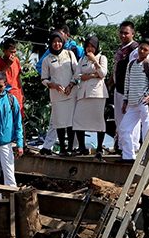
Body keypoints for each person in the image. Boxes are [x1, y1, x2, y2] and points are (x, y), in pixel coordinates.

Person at [36, 24, 84, 153]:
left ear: (64, 39)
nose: (57, 44)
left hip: (71, 92)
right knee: (58, 122)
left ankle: (72, 147)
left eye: (59, 41)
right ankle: (60, 147)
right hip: (57, 95)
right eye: (54, 41)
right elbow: (43, 77)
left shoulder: (71, 53)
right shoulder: (47, 58)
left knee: (72, 121)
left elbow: (77, 70)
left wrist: (72, 84)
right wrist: (53, 84)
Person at [120, 38, 149, 161]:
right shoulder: (131, 64)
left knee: (147, 130)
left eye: (145, 49)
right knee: (124, 129)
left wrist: (148, 98)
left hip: (145, 103)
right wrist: (125, 101)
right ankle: (128, 156)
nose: (142, 51)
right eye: (140, 48)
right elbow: (127, 83)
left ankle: (146, 157)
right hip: (132, 103)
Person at [73, 36, 108, 157]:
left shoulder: (101, 58)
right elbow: (78, 75)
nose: (90, 48)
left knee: (98, 120)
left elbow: (103, 73)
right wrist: (93, 75)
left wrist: (94, 61)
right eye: (88, 46)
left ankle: (99, 148)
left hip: (97, 93)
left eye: (92, 46)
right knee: (78, 119)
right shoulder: (82, 59)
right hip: (83, 93)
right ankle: (82, 147)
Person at [110, 21, 139, 155]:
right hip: (118, 88)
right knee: (119, 119)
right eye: (121, 32)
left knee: (131, 120)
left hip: (130, 91)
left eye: (126, 33)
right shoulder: (120, 49)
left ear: (132, 34)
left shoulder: (135, 48)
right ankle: (122, 147)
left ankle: (132, 147)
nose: (123, 35)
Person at [0, 38, 24, 116]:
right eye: (11, 52)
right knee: (6, 115)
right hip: (5, 93)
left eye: (15, 52)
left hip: (17, 93)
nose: (13, 54)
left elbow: (18, 78)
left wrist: (22, 93)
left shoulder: (16, 61)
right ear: (4, 51)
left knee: (19, 117)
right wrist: (8, 65)